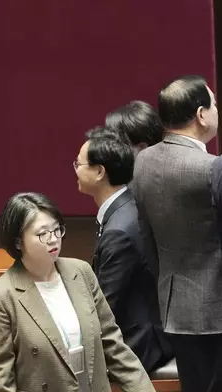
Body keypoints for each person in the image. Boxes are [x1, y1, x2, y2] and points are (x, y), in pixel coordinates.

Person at [0, 192, 153, 392]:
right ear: (18, 242)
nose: (53, 239)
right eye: (43, 234)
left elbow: (112, 344)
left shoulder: (81, 272)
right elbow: (1, 382)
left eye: (57, 230)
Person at [132, 75, 221, 392]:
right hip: (217, 313)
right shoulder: (212, 167)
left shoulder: (143, 161)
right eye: (213, 104)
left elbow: (147, 238)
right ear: (200, 115)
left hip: (174, 307)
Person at [74, 127, 172, 372]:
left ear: (99, 172)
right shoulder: (127, 205)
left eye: (79, 163)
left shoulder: (119, 231)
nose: (75, 169)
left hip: (139, 342)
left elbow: (106, 307)